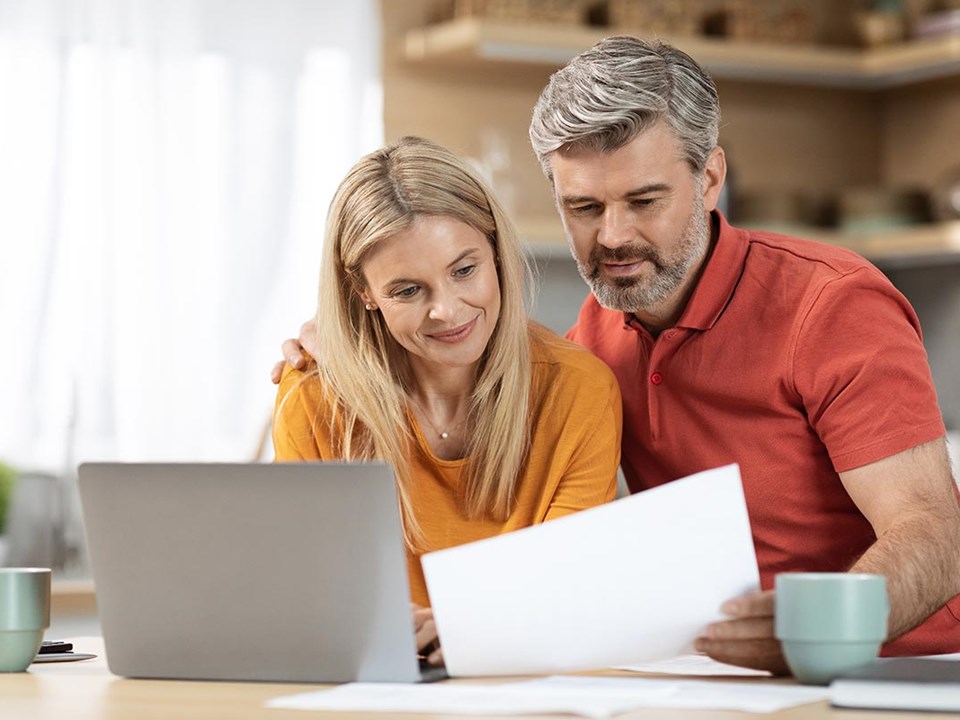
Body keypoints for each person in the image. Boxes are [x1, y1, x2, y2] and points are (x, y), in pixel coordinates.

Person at [276, 37, 960, 674]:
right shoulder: (595, 339)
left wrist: (815, 632)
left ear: (710, 177)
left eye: (644, 200)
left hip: (897, 668)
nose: (613, 237)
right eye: (584, 207)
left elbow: (933, 532)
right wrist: (343, 336)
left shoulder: (831, 307)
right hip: (712, 675)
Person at [272, 135, 622, 666]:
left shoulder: (578, 392)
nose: (448, 311)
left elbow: (566, 595)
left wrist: (464, 629)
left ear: (495, 250)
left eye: (464, 270)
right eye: (407, 291)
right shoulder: (314, 401)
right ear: (363, 292)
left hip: (523, 683)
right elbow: (303, 600)